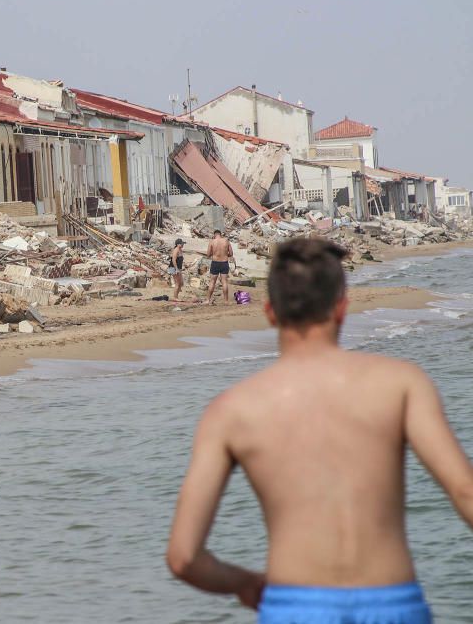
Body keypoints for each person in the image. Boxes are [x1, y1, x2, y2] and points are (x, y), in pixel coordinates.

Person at [166, 237, 473, 622]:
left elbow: (183, 557)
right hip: (391, 603)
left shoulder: (231, 412)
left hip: (294, 606)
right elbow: (465, 491)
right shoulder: (401, 385)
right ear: (341, 308)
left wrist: (245, 583)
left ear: (270, 311)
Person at [205, 230, 235, 305]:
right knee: (224, 281)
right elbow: (231, 253)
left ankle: (208, 300)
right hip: (224, 263)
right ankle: (226, 301)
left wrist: (214, 253)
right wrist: (225, 255)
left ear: (214, 234)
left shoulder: (212, 242)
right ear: (220, 234)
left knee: (212, 282)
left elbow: (208, 254)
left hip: (215, 263)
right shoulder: (226, 241)